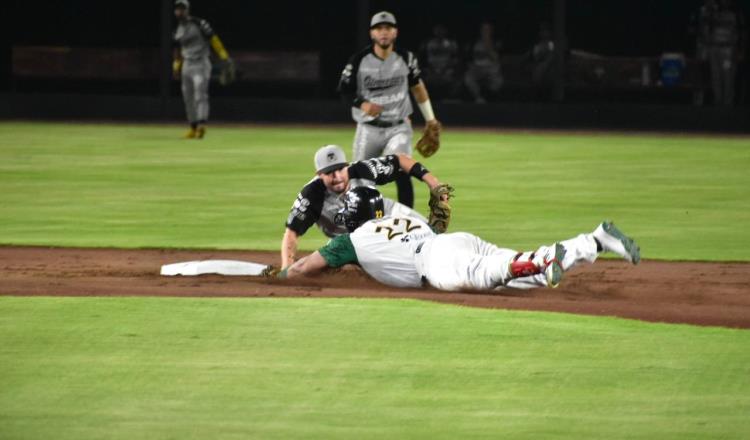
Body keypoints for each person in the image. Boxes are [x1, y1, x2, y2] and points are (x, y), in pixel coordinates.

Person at [278, 187, 641, 292]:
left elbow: (304, 268)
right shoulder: (399, 216)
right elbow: (433, 227)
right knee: (509, 278)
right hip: (455, 241)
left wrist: (281, 275)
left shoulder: (349, 242)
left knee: (488, 276)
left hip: (436, 263)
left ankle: (545, 261)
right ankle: (593, 241)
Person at [338, 11, 443, 209]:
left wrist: (430, 119)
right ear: (372, 34)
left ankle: (408, 222)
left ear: (395, 32)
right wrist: (363, 104)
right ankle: (363, 223)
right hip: (368, 128)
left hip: (399, 126)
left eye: (388, 28)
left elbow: (418, 88)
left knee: (401, 168)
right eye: (379, 28)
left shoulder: (406, 58)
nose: (383, 32)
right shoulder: (359, 60)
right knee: (359, 177)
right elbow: (344, 90)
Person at [281, 145, 447, 269]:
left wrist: (433, 182)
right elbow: (291, 233)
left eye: (340, 169)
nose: (337, 176)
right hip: (348, 238)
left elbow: (399, 160)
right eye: (329, 172)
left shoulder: (362, 170)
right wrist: (286, 268)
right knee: (348, 271)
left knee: (432, 235)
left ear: (347, 166)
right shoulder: (311, 195)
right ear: (319, 174)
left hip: (386, 215)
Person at [172, 0, 233, 138]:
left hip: (201, 63)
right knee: (187, 97)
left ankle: (202, 125)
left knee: (200, 93)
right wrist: (176, 67)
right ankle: (193, 127)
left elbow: (213, 39)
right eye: (177, 9)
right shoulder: (177, 30)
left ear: (187, 10)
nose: (179, 11)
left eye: (182, 9)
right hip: (187, 64)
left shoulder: (200, 23)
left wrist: (224, 55)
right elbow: (177, 50)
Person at [703, 0, 746, 105]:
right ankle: (718, 102)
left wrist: (741, 50)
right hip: (714, 49)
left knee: (728, 77)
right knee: (715, 76)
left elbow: (743, 33)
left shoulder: (737, 13)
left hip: (728, 50)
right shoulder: (712, 12)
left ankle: (728, 104)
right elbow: (705, 29)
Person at [464, 22, 504, 104]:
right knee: (468, 79)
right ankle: (478, 98)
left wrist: (487, 43)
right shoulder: (474, 42)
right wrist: (471, 66)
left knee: (498, 82)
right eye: (484, 29)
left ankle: (490, 99)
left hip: (492, 70)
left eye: (488, 29)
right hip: (476, 69)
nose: (485, 31)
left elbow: (496, 58)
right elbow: (469, 58)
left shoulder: (496, 42)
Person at [419, 24, 462, 101]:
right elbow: (422, 60)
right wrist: (430, 70)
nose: (439, 32)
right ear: (434, 31)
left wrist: (445, 70)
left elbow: (456, 59)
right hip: (431, 71)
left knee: (455, 79)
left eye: (441, 30)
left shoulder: (452, 44)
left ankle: (449, 99)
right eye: (437, 30)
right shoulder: (427, 43)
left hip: (446, 71)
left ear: (445, 31)